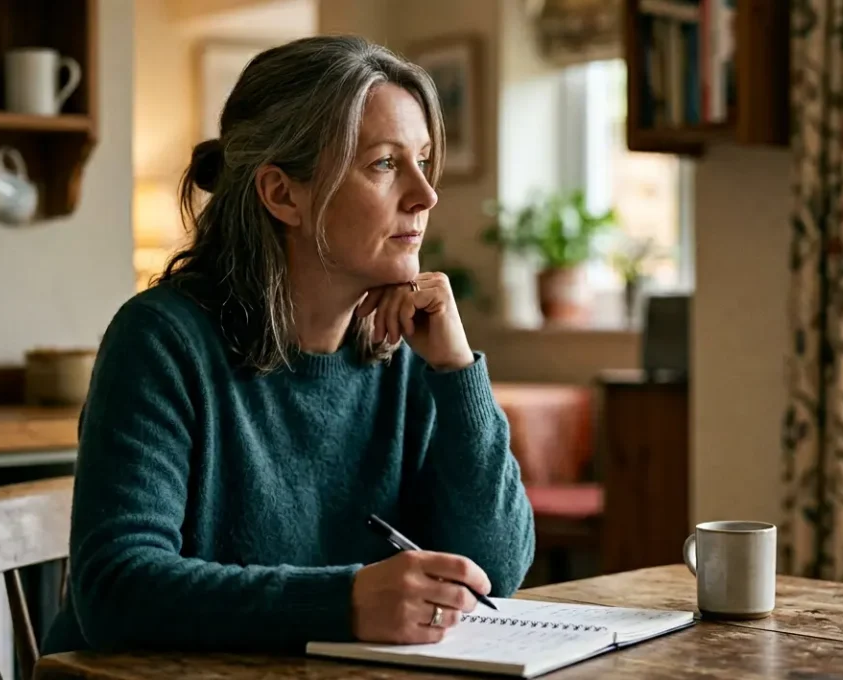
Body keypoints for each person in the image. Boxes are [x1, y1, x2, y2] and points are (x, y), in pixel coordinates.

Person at [41, 35, 535, 655]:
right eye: (385, 163)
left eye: (423, 160)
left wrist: (458, 373)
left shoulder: (407, 352)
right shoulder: (160, 341)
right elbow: (116, 592)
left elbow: (496, 571)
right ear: (282, 194)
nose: (426, 194)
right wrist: (346, 601)